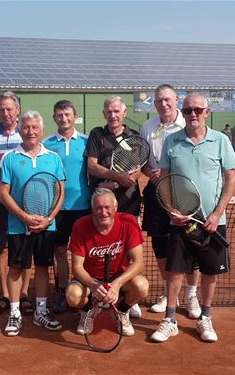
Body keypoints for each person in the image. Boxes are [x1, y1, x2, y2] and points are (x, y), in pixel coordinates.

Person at [150, 92, 235, 343]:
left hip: (212, 221)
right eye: (188, 110)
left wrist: (217, 213)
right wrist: (171, 211)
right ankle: (169, 319)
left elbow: (230, 178)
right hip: (180, 220)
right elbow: (164, 180)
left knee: (209, 271)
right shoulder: (172, 141)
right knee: (175, 270)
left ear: (207, 113)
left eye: (197, 110)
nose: (192, 115)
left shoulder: (220, 140)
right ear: (183, 112)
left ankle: (205, 317)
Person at [0, 110, 65, 336]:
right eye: (26, 127)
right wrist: (24, 217)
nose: (30, 131)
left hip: (47, 225)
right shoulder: (9, 158)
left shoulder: (53, 158)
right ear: (19, 129)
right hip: (18, 226)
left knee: (43, 268)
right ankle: (15, 313)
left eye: (35, 127)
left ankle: (41, 312)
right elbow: (2, 193)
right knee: (16, 269)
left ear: (41, 130)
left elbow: (60, 191)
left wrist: (49, 219)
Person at [140, 84, 201, 318]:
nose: (163, 104)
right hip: (156, 194)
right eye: (158, 101)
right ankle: (168, 293)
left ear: (176, 100)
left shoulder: (188, 123)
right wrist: (151, 173)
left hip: (184, 196)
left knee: (191, 243)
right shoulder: (147, 126)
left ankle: (191, 294)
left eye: (167, 100)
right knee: (161, 244)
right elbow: (143, 162)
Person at [84, 95, 142, 318]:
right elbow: (91, 165)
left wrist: (120, 180)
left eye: (117, 111)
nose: (113, 115)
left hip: (129, 202)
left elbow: (138, 169)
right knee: (100, 245)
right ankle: (95, 290)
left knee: (128, 249)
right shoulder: (97, 135)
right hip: (102, 205)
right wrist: (115, 177)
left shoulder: (134, 137)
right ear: (104, 114)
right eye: (109, 111)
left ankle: (128, 294)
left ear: (124, 113)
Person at [66, 188, 149, 336]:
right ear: (92, 209)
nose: (103, 212)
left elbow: (138, 263)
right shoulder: (80, 225)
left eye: (107, 207)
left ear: (115, 207)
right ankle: (88, 312)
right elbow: (76, 267)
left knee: (142, 286)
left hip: (118, 276)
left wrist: (117, 284)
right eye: (98, 208)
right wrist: (93, 285)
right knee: (72, 295)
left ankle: (122, 311)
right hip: (90, 278)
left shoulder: (128, 222)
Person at [0, 91, 33, 316]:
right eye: (2, 109)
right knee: (2, 251)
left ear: (18, 110)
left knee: (26, 249)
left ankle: (23, 294)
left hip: (26, 205)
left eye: (10, 109)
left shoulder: (27, 133)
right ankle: (5, 294)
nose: (6, 113)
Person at [43, 100, 91, 314]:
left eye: (67, 114)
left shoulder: (87, 142)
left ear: (75, 116)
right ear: (54, 118)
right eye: (60, 115)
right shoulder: (46, 145)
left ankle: (85, 290)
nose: (64, 118)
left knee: (85, 252)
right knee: (60, 251)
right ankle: (63, 291)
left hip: (83, 207)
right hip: (58, 208)